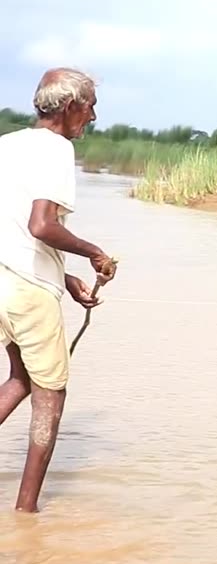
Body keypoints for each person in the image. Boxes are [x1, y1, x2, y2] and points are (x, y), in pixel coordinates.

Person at [0, 67, 116, 513]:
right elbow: (41, 225)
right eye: (89, 106)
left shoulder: (8, 144)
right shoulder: (56, 149)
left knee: (20, 379)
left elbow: (13, 230)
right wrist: (92, 251)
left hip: (4, 283)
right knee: (52, 395)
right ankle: (27, 512)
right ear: (69, 108)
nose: (93, 116)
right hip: (28, 293)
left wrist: (64, 278)